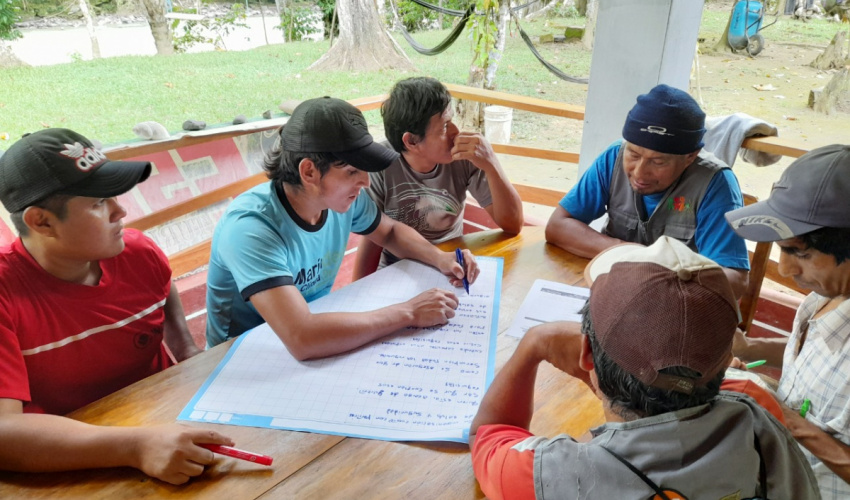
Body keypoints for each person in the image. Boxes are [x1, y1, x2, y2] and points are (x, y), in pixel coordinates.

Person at [469, 236, 820, 499]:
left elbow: (490, 433)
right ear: (726, 363)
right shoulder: (757, 409)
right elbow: (723, 387)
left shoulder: (548, 475)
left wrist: (535, 342)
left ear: (586, 354)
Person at [0, 128, 233, 485]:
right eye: (97, 203)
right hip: (65, 467)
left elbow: (161, 283)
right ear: (41, 221)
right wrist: (135, 447)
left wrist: (184, 344)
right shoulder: (6, 292)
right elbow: (5, 432)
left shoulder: (137, 252)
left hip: (167, 432)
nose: (121, 210)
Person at [205, 97, 478, 359]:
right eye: (351, 172)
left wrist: (440, 258)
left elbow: (390, 232)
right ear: (309, 172)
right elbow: (302, 337)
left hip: (315, 330)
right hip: (243, 357)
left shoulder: (337, 200)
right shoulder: (251, 229)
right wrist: (409, 312)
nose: (366, 183)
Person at [726, 144, 850, 500]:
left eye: (802, 253)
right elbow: (822, 363)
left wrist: (785, 417)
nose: (784, 269)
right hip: (780, 471)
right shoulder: (823, 296)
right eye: (782, 249)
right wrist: (751, 350)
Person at [545, 84, 750, 297]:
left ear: (690, 157)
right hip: (613, 291)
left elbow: (735, 280)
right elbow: (558, 226)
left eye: (658, 162)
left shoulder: (715, 184)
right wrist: (633, 254)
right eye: (633, 154)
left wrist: (656, 269)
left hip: (678, 302)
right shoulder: (614, 157)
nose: (640, 173)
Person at [353, 77, 523, 278]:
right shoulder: (379, 165)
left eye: (452, 121)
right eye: (444, 127)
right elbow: (375, 236)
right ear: (411, 141)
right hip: (397, 270)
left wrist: (492, 164)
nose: (456, 132)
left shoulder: (464, 156)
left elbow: (513, 225)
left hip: (452, 264)